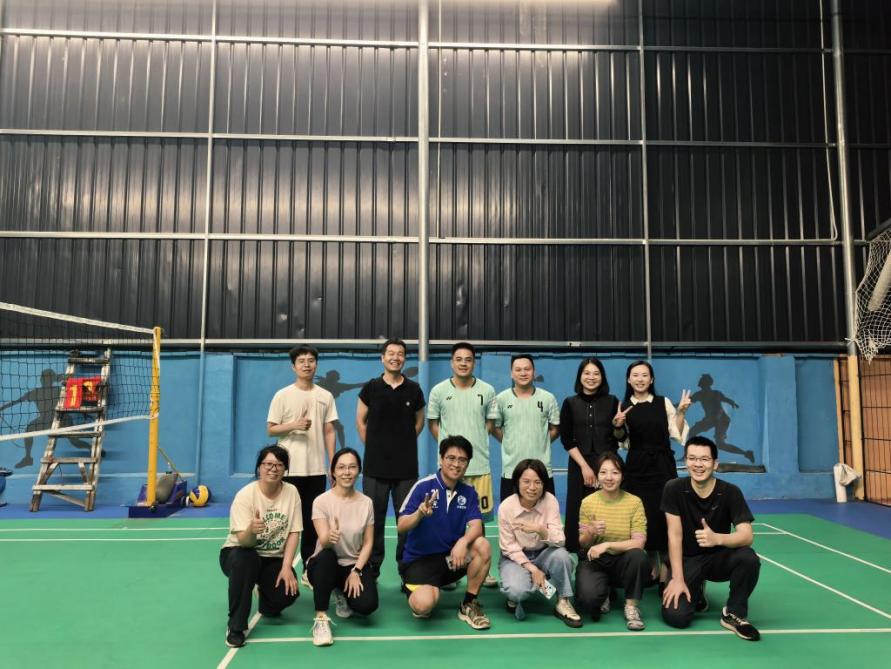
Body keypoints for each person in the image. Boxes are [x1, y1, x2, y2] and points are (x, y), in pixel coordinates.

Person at [661, 436, 761, 641]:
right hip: (688, 560)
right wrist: (677, 579)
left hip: (718, 558)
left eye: (704, 459)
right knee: (677, 617)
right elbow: (674, 535)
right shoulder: (673, 488)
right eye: (692, 458)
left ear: (715, 463)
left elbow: (746, 535)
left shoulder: (730, 492)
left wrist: (717, 539)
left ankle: (734, 613)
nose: (698, 464)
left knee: (748, 558)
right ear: (686, 461)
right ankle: (696, 589)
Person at [397, 436, 493, 630]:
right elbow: (401, 525)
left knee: (482, 545)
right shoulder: (423, 486)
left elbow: (476, 525)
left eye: (462, 460)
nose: (456, 464)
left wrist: (463, 542)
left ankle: (468, 603)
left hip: (451, 559)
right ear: (441, 459)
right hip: (419, 561)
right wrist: (419, 514)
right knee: (423, 606)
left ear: (467, 464)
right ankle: (423, 590)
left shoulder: (468, 491)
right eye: (451, 458)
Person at [427, 341, 498, 587]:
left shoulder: (487, 390)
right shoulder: (438, 391)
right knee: (447, 518)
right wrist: (451, 453)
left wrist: (473, 446)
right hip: (449, 472)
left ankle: (482, 567)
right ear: (452, 362)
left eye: (468, 359)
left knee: (480, 522)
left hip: (479, 468)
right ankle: (448, 569)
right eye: (459, 359)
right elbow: (433, 424)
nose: (463, 363)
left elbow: (490, 424)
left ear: (474, 363)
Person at [267, 345, 338, 585]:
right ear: (293, 366)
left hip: (316, 469)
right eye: (301, 361)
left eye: (311, 360)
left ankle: (310, 569)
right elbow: (271, 429)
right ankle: (274, 569)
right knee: (284, 521)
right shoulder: (282, 395)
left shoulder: (325, 396)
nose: (307, 364)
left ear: (316, 365)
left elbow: (329, 430)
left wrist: (332, 462)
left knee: (311, 522)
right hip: (288, 470)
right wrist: (294, 425)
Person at [614, 360, 690, 586]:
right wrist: (617, 426)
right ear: (629, 380)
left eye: (644, 375)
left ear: (651, 379)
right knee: (642, 515)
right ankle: (651, 565)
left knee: (664, 514)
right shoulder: (624, 406)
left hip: (663, 466)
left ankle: (667, 568)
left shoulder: (662, 402)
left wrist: (681, 412)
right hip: (637, 467)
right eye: (635, 375)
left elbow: (676, 432)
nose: (640, 379)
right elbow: (622, 441)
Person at [356, 338, 426, 576]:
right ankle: (372, 569)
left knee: (406, 520)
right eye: (391, 353)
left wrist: (402, 445)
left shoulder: (414, 389)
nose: (396, 357)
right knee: (373, 521)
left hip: (406, 469)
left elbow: (419, 422)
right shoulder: (371, 388)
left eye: (400, 354)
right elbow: (360, 421)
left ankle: (407, 570)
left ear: (404, 358)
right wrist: (375, 447)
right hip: (375, 468)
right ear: (382, 358)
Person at [219, 445, 301, 649]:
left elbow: (294, 532)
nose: (273, 469)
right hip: (239, 553)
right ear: (259, 467)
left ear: (285, 469)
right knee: (246, 560)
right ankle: (236, 626)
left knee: (287, 593)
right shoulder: (245, 496)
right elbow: (243, 541)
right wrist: (251, 530)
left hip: (272, 557)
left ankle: (265, 600)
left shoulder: (291, 492)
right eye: (268, 464)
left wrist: (287, 566)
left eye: (279, 465)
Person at [305, 447, 377, 646]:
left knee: (367, 606)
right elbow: (324, 542)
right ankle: (321, 618)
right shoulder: (321, 501)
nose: (347, 472)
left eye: (352, 467)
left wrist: (357, 570)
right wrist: (331, 536)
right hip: (323, 564)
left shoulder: (366, 503)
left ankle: (340, 590)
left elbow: (368, 542)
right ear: (333, 472)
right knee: (327, 556)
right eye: (341, 467)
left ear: (359, 471)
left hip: (351, 565)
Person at [498, 458, 581, 627]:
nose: (532, 487)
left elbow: (560, 541)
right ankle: (522, 586)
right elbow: (509, 547)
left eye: (538, 482)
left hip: (544, 553)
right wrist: (533, 569)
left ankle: (563, 601)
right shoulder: (506, 507)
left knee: (562, 556)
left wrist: (540, 530)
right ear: (517, 482)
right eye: (526, 481)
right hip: (515, 558)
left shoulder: (550, 501)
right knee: (516, 591)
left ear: (544, 484)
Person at [575, 452, 650, 630]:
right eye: (603, 472)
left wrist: (607, 544)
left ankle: (631, 606)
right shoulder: (588, 502)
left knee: (638, 556)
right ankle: (604, 592)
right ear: (597, 475)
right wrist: (590, 532)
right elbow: (583, 544)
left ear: (622, 476)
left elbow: (639, 542)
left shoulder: (634, 502)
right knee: (587, 601)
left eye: (615, 472)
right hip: (596, 560)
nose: (609, 478)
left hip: (624, 560)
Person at [559, 358, 626, 553]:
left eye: (596, 373)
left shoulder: (613, 402)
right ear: (580, 376)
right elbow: (566, 439)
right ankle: (579, 553)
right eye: (587, 373)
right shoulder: (570, 403)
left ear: (602, 377)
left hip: (607, 464)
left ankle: (610, 549)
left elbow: (620, 437)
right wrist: (584, 467)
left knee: (608, 506)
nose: (591, 377)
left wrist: (618, 426)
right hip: (579, 464)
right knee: (578, 507)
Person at [491, 354, 560, 503]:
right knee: (511, 515)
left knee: (546, 515)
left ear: (534, 372)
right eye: (518, 369)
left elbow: (556, 429)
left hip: (542, 470)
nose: (523, 373)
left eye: (527, 369)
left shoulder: (548, 398)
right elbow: (494, 428)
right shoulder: (501, 399)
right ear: (511, 373)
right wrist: (509, 441)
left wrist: (541, 441)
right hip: (511, 471)